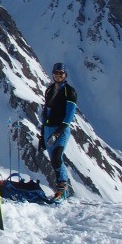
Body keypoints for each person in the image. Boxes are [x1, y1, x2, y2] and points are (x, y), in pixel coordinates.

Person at [39, 62, 77, 201]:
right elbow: (46, 111)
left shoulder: (69, 91)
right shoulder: (49, 90)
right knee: (54, 160)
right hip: (48, 128)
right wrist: (42, 135)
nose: (58, 75)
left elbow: (69, 114)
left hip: (61, 129)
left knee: (57, 156)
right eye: (56, 73)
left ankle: (62, 190)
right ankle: (60, 190)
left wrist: (58, 132)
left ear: (65, 74)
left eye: (61, 73)